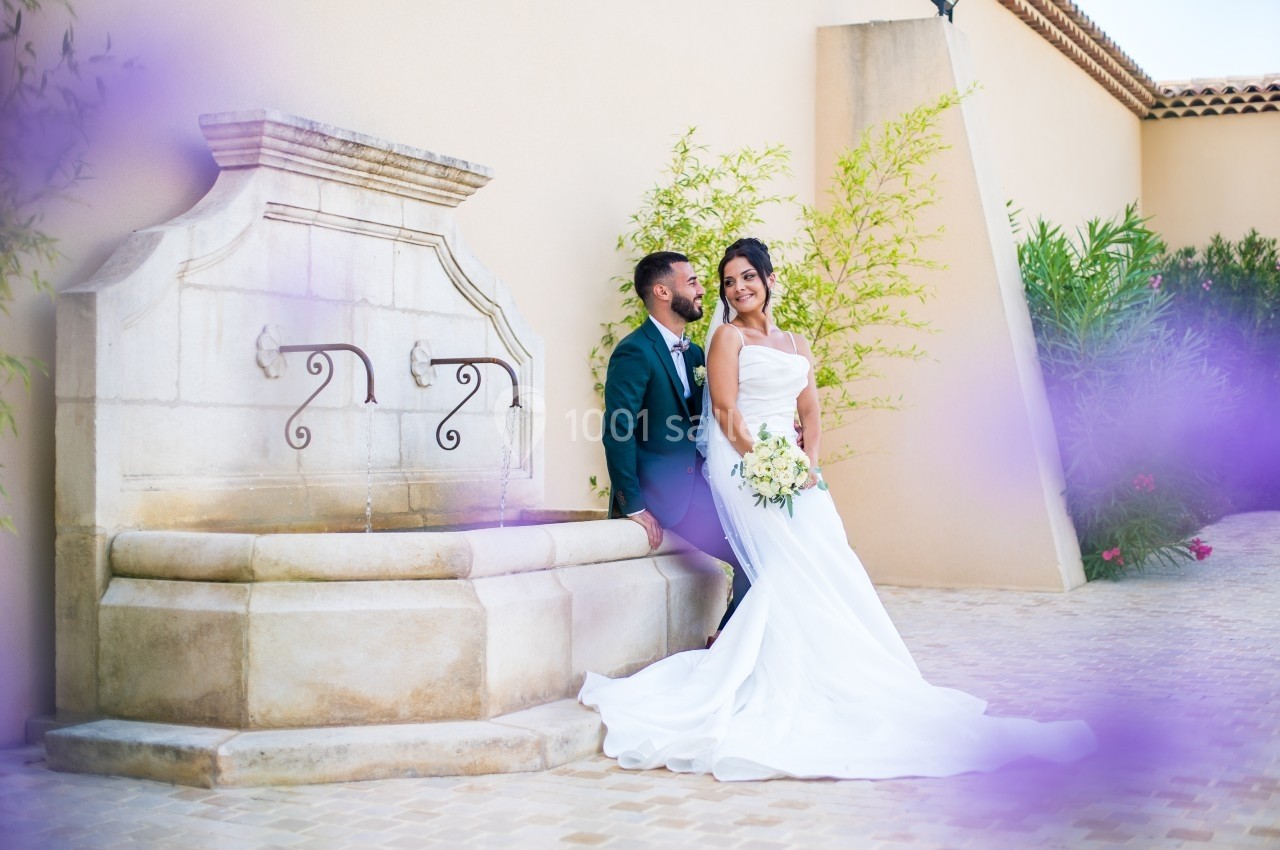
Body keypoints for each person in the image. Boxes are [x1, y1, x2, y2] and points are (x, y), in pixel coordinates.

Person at [581, 238, 1096, 781]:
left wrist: (808, 461)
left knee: (825, 562)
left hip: (784, 470)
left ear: (770, 280)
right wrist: (739, 472)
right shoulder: (704, 341)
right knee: (775, 568)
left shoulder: (768, 343)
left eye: (746, 278)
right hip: (739, 471)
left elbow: (807, 410)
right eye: (724, 281)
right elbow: (702, 415)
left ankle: (815, 669)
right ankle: (732, 665)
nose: (733, 289)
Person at [602, 251, 751, 636]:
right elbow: (618, 431)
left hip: (702, 487)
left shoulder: (697, 352)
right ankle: (722, 652)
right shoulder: (634, 350)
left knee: (761, 552)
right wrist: (631, 504)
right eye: (693, 282)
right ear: (662, 291)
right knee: (754, 558)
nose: (704, 290)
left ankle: (723, 643)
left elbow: (710, 419)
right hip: (665, 496)